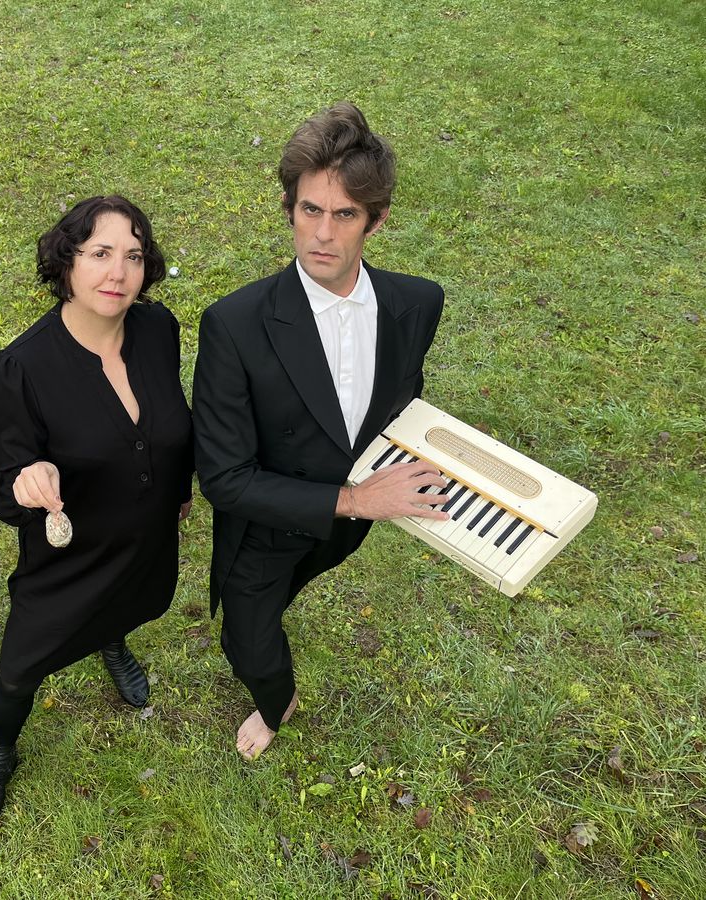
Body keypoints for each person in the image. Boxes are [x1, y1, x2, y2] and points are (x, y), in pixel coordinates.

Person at [193, 103, 448, 759]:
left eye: (344, 215)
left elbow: (404, 397)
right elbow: (223, 477)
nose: (322, 235)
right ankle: (278, 704)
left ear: (377, 219)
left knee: (310, 574)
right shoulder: (234, 324)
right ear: (288, 206)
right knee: (247, 640)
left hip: (349, 525)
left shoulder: (418, 304)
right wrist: (357, 499)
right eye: (310, 210)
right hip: (267, 526)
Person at [0, 196, 193, 830]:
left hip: (144, 536)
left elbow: (171, 429)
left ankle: (110, 639)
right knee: (17, 670)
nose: (117, 273)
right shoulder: (22, 368)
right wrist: (27, 480)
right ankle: (0, 751)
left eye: (133, 256)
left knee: (129, 602)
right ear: (65, 263)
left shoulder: (158, 330)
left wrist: (177, 493)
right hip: (70, 554)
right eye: (99, 254)